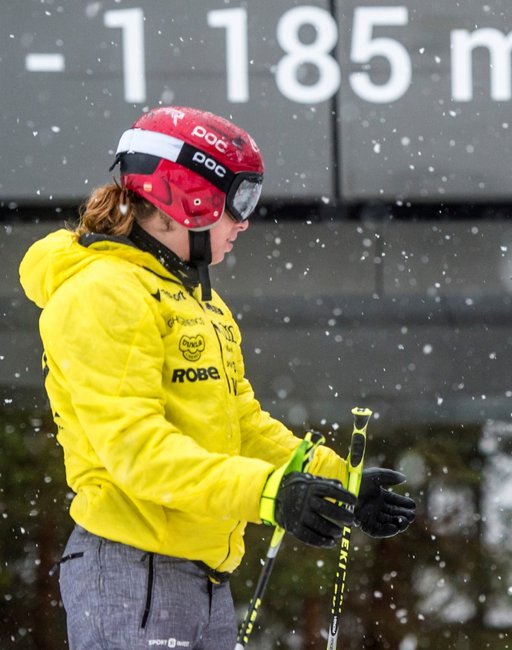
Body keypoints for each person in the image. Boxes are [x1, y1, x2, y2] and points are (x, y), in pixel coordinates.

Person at [19, 106, 417, 649]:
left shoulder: (198, 303)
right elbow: (138, 451)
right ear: (184, 198)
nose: (244, 222)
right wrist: (269, 494)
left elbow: (242, 428)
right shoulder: (103, 293)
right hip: (135, 571)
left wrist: (342, 482)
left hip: (200, 578)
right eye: (237, 201)